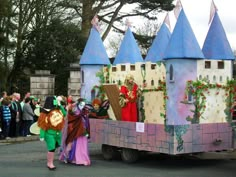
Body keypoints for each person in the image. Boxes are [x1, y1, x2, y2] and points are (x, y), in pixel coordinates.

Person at [59, 98, 91, 166]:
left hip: (83, 131)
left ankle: (81, 159)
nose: (82, 106)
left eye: (83, 104)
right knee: (71, 144)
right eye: (81, 104)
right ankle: (69, 157)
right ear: (78, 104)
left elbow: (87, 122)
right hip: (75, 131)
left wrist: (87, 131)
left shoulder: (85, 111)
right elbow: (71, 120)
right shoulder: (74, 112)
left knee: (82, 145)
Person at [37, 96, 65, 170]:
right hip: (49, 133)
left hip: (57, 133)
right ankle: (50, 163)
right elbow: (43, 125)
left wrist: (60, 105)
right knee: (51, 148)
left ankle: (50, 162)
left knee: (55, 147)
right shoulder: (45, 113)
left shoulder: (58, 110)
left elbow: (64, 114)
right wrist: (42, 135)